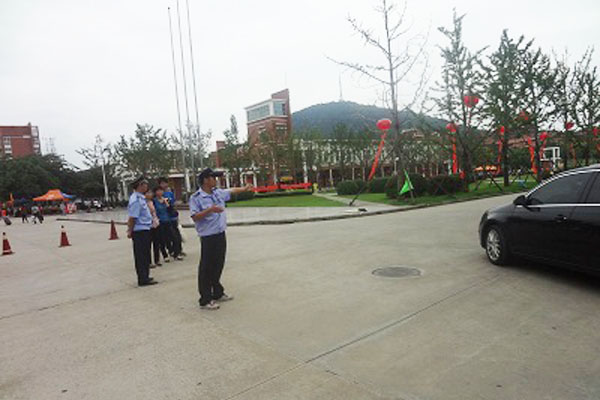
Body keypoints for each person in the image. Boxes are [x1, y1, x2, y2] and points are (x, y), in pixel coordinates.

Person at [190, 168, 253, 310]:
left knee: (218, 264)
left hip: (220, 234)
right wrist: (210, 210)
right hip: (208, 236)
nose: (215, 180)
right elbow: (194, 217)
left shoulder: (217, 193)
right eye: (213, 178)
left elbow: (232, 191)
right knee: (206, 268)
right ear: (205, 180)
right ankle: (205, 299)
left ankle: (217, 292)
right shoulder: (196, 197)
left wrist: (244, 188)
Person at [127, 176, 157, 287]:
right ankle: (142, 278)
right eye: (145, 184)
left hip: (145, 229)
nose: (147, 186)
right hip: (139, 231)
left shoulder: (141, 198)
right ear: (140, 185)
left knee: (145, 254)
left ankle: (145, 276)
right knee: (141, 256)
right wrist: (130, 230)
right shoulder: (136, 200)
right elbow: (133, 217)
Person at [158, 177, 184, 260]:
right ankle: (171, 250)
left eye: (165, 183)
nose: (164, 185)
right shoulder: (159, 195)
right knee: (167, 237)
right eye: (162, 183)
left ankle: (178, 250)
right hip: (164, 219)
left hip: (172, 217)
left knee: (176, 235)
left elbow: (173, 204)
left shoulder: (170, 193)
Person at [153, 187, 174, 263]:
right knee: (161, 239)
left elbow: (170, 210)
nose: (160, 192)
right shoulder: (154, 201)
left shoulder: (166, 199)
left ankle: (171, 251)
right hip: (160, 222)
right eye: (158, 191)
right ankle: (165, 255)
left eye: (161, 191)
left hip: (167, 220)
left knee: (170, 237)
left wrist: (167, 203)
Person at [145, 189, 164, 268]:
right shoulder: (143, 203)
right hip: (147, 225)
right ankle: (148, 261)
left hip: (155, 224)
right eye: (148, 193)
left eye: (150, 192)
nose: (150, 194)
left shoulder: (153, 202)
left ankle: (157, 260)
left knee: (156, 242)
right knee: (148, 244)